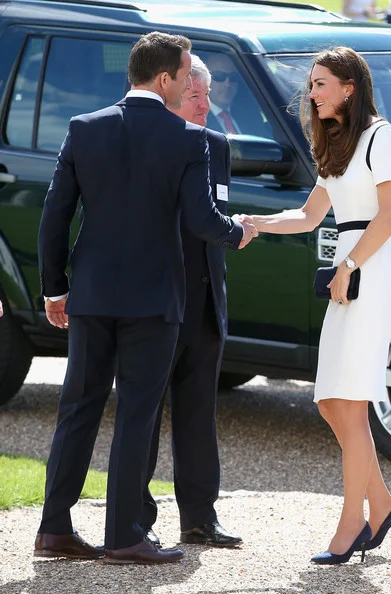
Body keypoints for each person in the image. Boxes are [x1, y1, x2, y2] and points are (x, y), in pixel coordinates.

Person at [35, 31, 257, 566]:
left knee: (78, 409)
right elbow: (203, 221)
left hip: (89, 294)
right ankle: (124, 535)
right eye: (186, 77)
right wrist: (238, 231)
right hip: (153, 301)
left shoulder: (83, 128)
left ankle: (54, 528)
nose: (190, 87)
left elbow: (54, 216)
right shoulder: (186, 139)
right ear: (165, 79)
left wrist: (54, 289)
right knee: (136, 412)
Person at [236, 47, 391, 565]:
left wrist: (349, 266)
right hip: (346, 274)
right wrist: (256, 222)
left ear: (350, 87)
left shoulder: (383, 137)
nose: (311, 94)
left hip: (370, 272)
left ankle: (353, 523)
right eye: (310, 85)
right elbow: (309, 216)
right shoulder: (335, 142)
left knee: (349, 404)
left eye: (321, 84)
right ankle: (382, 505)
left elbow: (390, 215)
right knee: (331, 401)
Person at [141, 55, 242, 548]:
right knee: (142, 416)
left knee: (199, 414)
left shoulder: (217, 146)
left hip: (204, 306)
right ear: (173, 94)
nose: (204, 104)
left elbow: (214, 218)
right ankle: (135, 521)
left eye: (206, 95)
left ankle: (200, 517)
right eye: (195, 95)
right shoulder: (148, 144)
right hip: (156, 306)